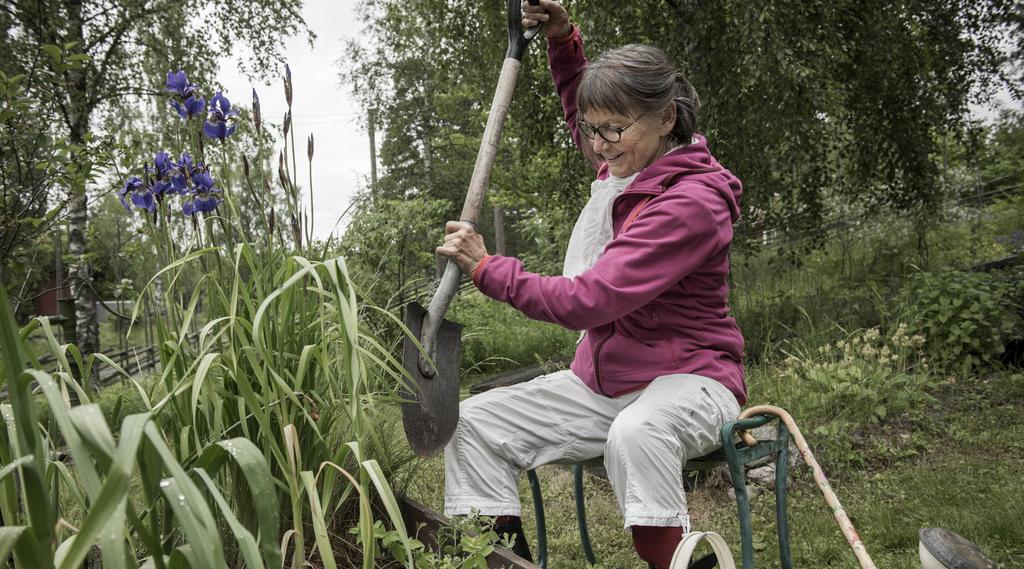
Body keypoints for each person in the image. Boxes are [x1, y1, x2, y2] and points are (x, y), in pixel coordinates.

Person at [435, 1, 746, 567]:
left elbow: (591, 299)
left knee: (639, 430)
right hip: (606, 383)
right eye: (591, 130)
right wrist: (563, 42)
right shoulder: (630, 165)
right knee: (473, 424)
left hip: (691, 381)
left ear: (667, 118)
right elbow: (592, 104)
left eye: (613, 130)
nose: (599, 146)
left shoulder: (690, 204)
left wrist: (489, 270)